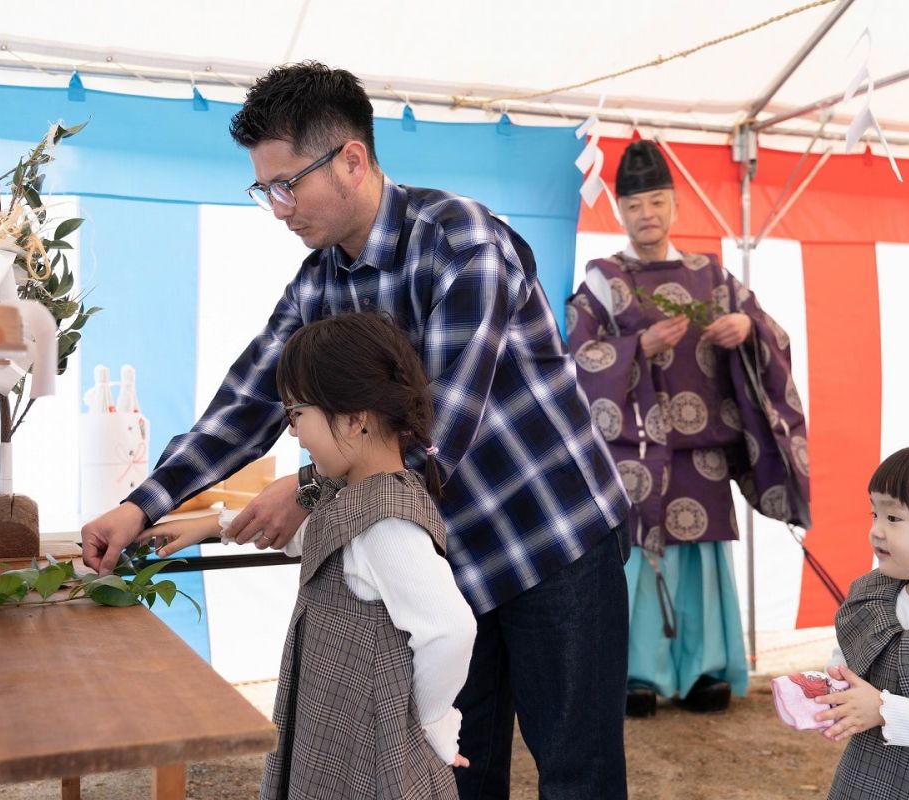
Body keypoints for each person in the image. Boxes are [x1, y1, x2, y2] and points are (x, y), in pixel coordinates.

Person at [82, 61, 631, 799]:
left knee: (578, 774)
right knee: (455, 773)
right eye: (264, 189)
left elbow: (438, 427)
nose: (278, 208)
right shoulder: (318, 284)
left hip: (551, 539)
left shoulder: (460, 242)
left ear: (351, 159)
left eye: (287, 185)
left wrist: (308, 489)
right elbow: (245, 404)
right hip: (450, 560)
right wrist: (141, 505)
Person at [153, 312, 477, 799]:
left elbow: (451, 630)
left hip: (372, 751)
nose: (293, 433)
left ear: (353, 417)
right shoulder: (350, 497)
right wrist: (209, 526)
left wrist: (433, 718)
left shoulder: (388, 521)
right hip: (339, 733)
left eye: (297, 414)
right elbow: (316, 539)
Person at [566, 140, 810, 718]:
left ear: (674, 204)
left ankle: (703, 671)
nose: (646, 214)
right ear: (619, 211)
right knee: (631, 566)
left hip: (701, 455)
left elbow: (771, 335)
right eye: (634, 205)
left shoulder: (712, 276)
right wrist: (637, 347)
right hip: (632, 452)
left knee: (700, 564)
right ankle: (632, 676)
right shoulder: (604, 280)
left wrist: (743, 328)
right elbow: (574, 358)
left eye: (656, 201)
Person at [813, 447, 909, 799]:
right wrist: (835, 686)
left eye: (894, 518)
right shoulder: (872, 592)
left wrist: (886, 709)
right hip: (872, 771)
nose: (876, 531)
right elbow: (847, 653)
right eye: (875, 514)